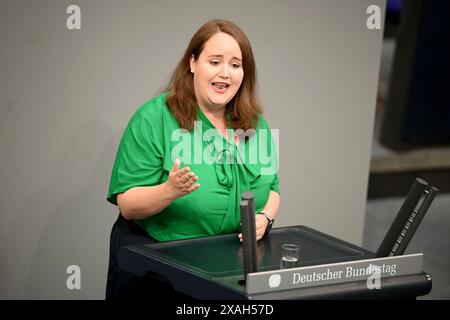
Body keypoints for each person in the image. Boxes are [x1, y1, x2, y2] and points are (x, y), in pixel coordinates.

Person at [106, 19, 280, 299]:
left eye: (235, 65)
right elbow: (128, 205)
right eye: (215, 61)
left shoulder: (255, 123)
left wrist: (265, 217)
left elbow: (273, 189)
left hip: (226, 267)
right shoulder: (154, 117)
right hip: (160, 268)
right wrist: (169, 191)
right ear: (192, 63)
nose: (225, 73)